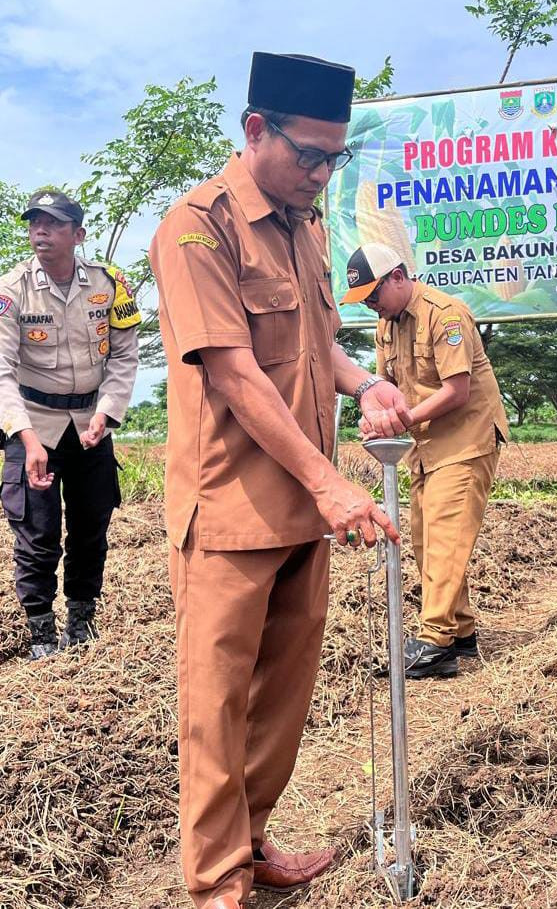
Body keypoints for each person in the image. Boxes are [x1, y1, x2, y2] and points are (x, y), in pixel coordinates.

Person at [148, 52, 412, 909]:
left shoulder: (306, 226)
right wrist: (330, 483)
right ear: (255, 130)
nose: (321, 173)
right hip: (229, 505)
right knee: (216, 704)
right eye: (308, 154)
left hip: (306, 506)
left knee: (283, 697)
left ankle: (252, 839)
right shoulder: (196, 227)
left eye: (334, 157)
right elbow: (233, 372)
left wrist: (366, 382)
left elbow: (314, 346)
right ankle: (217, 881)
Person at [0, 190, 139, 660]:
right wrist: (26, 439)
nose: (40, 231)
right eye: (34, 223)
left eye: (52, 223)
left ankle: (81, 622)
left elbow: (126, 356)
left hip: (90, 423)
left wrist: (106, 414)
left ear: (78, 234)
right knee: (38, 532)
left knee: (92, 526)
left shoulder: (109, 284)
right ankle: (41, 633)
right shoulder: (9, 292)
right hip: (34, 424)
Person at [340, 243, 511, 679]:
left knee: (445, 535)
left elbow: (457, 391)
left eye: (375, 295)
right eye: (365, 302)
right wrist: (377, 417)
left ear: (398, 276)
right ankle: (461, 630)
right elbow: (383, 387)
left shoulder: (445, 314)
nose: (373, 307)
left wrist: (401, 421)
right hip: (425, 445)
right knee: (422, 537)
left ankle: (435, 641)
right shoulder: (386, 326)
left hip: (466, 439)